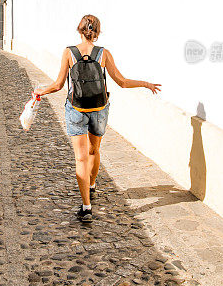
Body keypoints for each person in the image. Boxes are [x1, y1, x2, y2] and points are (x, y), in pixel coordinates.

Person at [33, 14, 161, 222]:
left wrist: (40, 91)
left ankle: (86, 207)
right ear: (97, 32)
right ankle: (92, 185)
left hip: (76, 108)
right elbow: (122, 82)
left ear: (79, 30)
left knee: (80, 158)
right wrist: (146, 84)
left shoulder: (69, 53)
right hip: (100, 108)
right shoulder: (104, 54)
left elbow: (58, 85)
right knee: (95, 150)